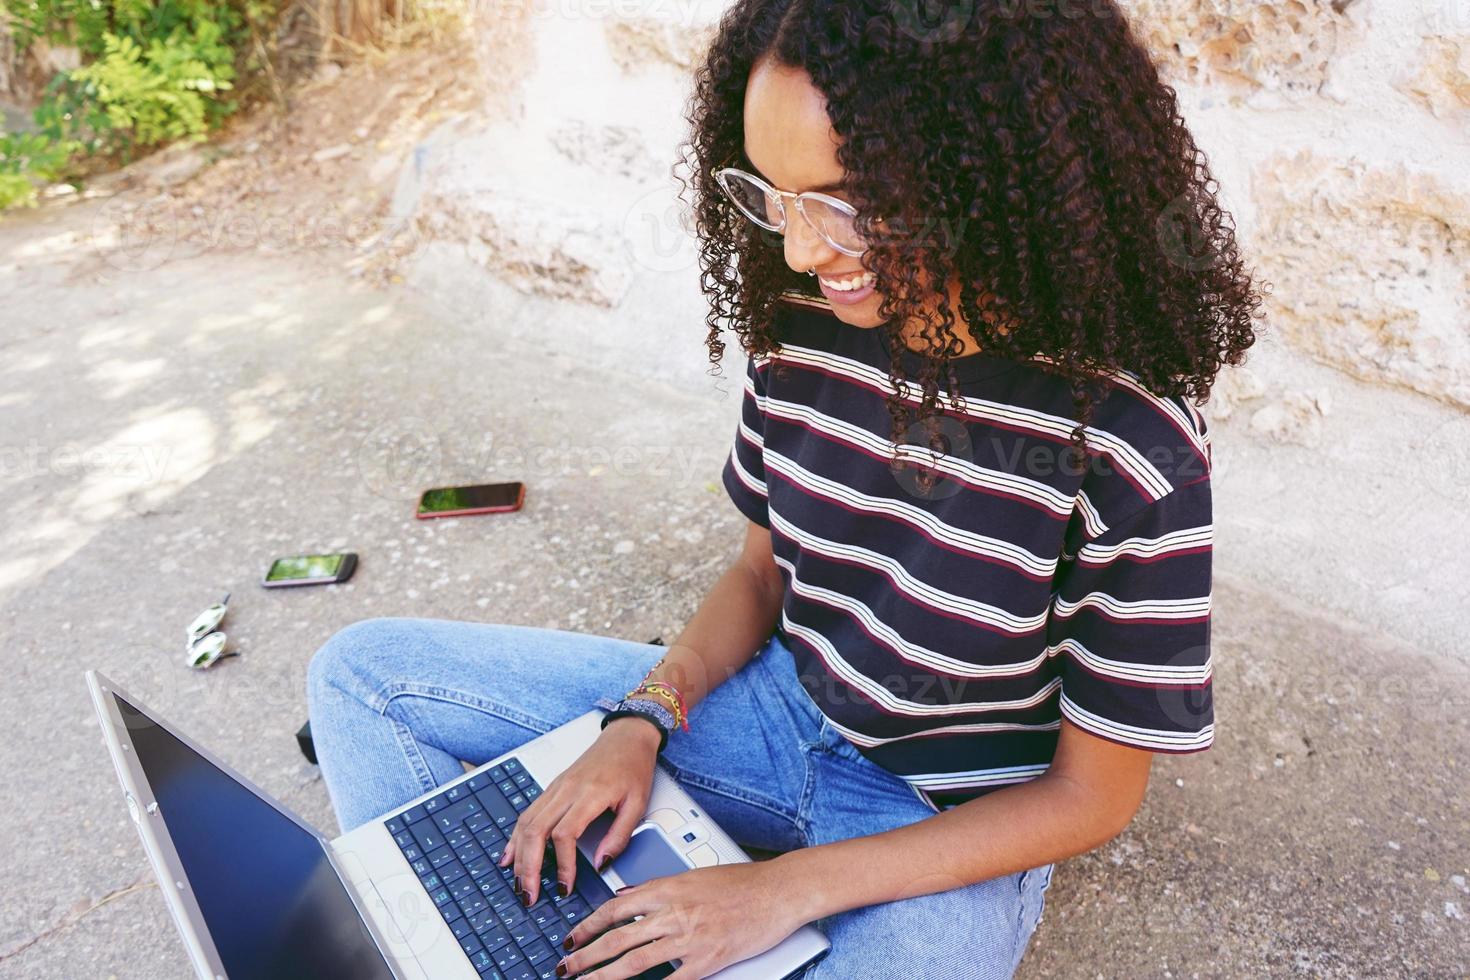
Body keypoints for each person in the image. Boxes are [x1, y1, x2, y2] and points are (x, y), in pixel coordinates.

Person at [306, 1, 1264, 977]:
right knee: (362, 673)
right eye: (775, 195)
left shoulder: (1133, 446)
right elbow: (763, 577)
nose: (803, 250)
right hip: (771, 711)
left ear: (995, 176)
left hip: (942, 814)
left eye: (845, 200)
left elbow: (1089, 796)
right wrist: (641, 717)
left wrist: (781, 888)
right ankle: (465, 941)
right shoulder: (806, 324)